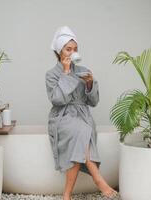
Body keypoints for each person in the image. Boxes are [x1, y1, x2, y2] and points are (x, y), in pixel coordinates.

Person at [45, 26, 119, 200]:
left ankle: (67, 194)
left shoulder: (83, 70)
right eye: (68, 49)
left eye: (75, 49)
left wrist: (90, 84)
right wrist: (65, 73)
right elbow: (57, 100)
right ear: (59, 51)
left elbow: (93, 102)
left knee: (82, 130)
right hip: (62, 116)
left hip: (82, 115)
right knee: (80, 131)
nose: (72, 53)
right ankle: (98, 179)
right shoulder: (51, 74)